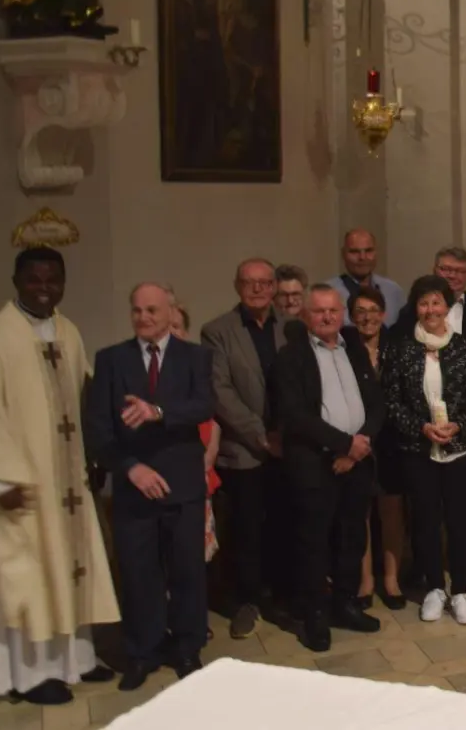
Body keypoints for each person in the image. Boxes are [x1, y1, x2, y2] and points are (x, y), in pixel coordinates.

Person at [0, 248, 119, 705]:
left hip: (66, 487)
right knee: (27, 582)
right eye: (34, 279)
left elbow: (84, 397)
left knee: (70, 572)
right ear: (16, 281)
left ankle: (75, 660)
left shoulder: (68, 332)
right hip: (18, 490)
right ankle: (29, 677)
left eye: (53, 280)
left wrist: (97, 454)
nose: (44, 288)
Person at [87, 282, 216, 688]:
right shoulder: (111, 359)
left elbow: (204, 405)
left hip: (183, 485)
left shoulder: (195, 357)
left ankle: (188, 648)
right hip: (134, 486)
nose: (143, 317)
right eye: (137, 310)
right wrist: (130, 468)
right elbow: (98, 429)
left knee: (187, 572)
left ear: (171, 312)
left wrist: (157, 411)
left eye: (152, 310)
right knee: (139, 573)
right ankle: (142, 652)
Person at [270, 285, 385, 652]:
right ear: (306, 315)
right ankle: (315, 615)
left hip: (357, 461)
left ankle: (345, 604)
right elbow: (295, 415)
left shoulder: (354, 348)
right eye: (319, 311)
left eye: (333, 310)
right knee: (314, 543)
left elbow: (376, 403)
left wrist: (358, 445)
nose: (327, 317)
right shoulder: (291, 356)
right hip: (315, 463)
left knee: (353, 537)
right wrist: (343, 444)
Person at [385, 275, 466, 625]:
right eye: (423, 303)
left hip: (458, 450)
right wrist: (421, 427)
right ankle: (433, 587)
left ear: (447, 306)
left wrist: (458, 425)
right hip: (419, 450)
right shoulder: (402, 348)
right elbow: (392, 401)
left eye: (436, 302)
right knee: (425, 520)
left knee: (459, 521)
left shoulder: (463, 347)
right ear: (415, 307)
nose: (430, 309)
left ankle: (459, 589)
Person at [201, 257, 289, 639]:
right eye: (249, 282)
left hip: (288, 446)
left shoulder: (292, 327)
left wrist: (286, 433)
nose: (257, 289)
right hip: (244, 450)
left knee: (283, 525)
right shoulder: (217, 331)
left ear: (274, 287)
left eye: (264, 282)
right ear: (237, 286)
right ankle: (246, 601)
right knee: (246, 530)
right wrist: (260, 435)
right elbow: (220, 391)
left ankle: (278, 594)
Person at [348, 289, 406, 611]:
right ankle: (365, 580)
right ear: (351, 316)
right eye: (360, 311)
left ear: (383, 314)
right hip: (358, 439)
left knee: (392, 511)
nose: (367, 316)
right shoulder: (344, 348)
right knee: (361, 512)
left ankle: (392, 579)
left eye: (373, 310)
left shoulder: (397, 345)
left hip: (392, 439)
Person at [171, 303, 222, 565]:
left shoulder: (198, 367)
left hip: (199, 473)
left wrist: (211, 450)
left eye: (176, 326)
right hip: (164, 477)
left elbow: (213, 419)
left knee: (197, 558)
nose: (171, 332)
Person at [396, 246, 466, 340]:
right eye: (446, 269)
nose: (452, 276)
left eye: (460, 271)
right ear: (434, 270)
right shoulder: (411, 310)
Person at [328, 229, 406, 326]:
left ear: (376, 252)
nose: (362, 257)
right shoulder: (327, 293)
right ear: (343, 254)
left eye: (368, 251)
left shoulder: (394, 291)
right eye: (354, 252)